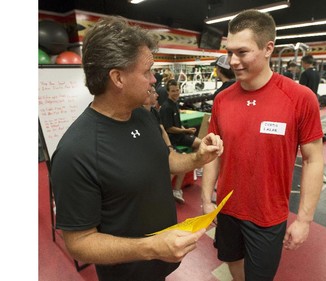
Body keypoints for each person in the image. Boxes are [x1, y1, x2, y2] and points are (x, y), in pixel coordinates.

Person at [50, 15, 224, 281]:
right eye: (147, 72)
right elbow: (80, 243)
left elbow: (164, 160)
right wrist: (152, 247)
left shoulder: (143, 115)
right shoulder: (77, 151)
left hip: (161, 265)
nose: (154, 80)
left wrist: (197, 159)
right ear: (117, 78)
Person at [201, 9, 324, 281]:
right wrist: (206, 199)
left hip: (267, 215)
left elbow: (314, 160)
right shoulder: (223, 99)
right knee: (232, 263)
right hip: (227, 209)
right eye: (229, 52)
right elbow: (213, 153)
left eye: (242, 52)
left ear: (269, 48)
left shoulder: (299, 98)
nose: (232, 61)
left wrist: (304, 219)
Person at [143, 86, 186, 204]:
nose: (157, 95)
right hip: (150, 151)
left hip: (162, 146)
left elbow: (162, 131)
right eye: (154, 92)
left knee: (181, 160)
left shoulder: (154, 112)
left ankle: (176, 190)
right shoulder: (138, 114)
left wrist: (170, 148)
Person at [159, 79, 201, 151]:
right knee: (200, 143)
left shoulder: (175, 103)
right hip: (173, 139)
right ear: (168, 92)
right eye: (173, 91)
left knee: (200, 143)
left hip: (180, 135)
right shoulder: (166, 107)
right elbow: (169, 129)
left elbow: (177, 123)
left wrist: (185, 130)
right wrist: (185, 131)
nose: (176, 93)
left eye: (177, 90)